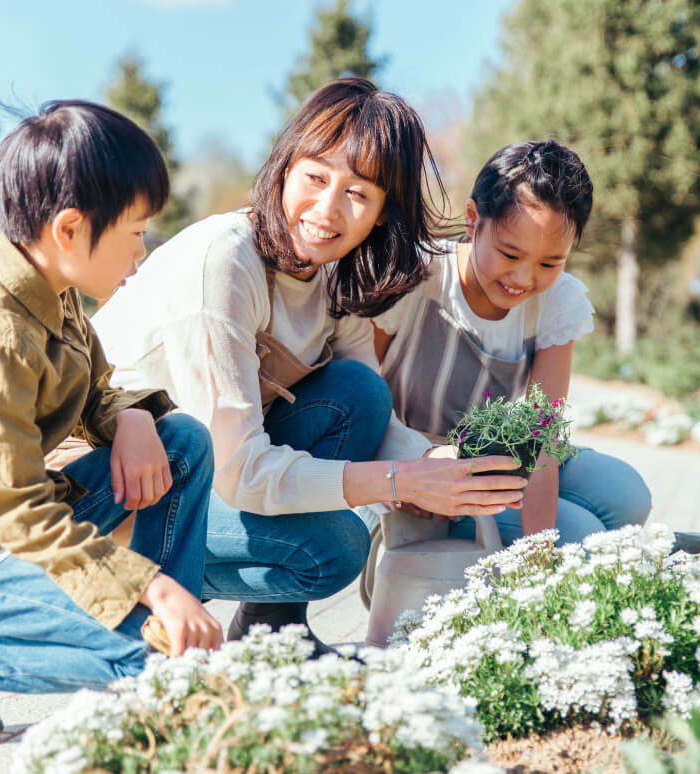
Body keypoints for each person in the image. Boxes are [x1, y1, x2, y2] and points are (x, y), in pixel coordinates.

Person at [91, 78, 526, 651]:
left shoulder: (327, 269)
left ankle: (272, 630)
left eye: (358, 193)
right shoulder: (224, 265)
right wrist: (397, 482)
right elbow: (240, 472)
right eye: (316, 177)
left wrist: (434, 463)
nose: (326, 209)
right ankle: (124, 601)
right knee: (332, 547)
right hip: (112, 491)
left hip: (200, 472)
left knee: (358, 395)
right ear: (284, 168)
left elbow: (365, 401)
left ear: (379, 214)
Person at [0, 101, 223, 745]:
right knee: (152, 664)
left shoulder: (52, 287)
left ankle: (170, 645)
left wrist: (133, 419)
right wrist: (148, 585)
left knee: (182, 442)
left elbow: (96, 392)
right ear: (70, 228)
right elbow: (19, 515)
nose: (142, 252)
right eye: (136, 231)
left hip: (17, 522)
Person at [373, 139, 653, 546]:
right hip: (409, 469)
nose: (523, 279)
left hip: (497, 462)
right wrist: (410, 471)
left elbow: (543, 437)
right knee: (581, 537)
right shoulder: (417, 276)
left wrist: (536, 556)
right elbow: (364, 402)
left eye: (549, 263)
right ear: (473, 220)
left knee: (625, 496)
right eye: (509, 254)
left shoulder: (558, 302)